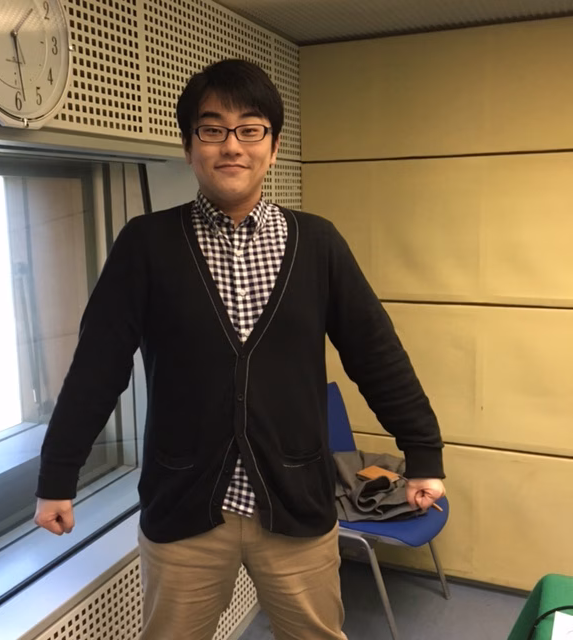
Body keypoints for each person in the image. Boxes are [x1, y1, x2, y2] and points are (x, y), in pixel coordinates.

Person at [35, 58, 446, 640]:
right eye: (212, 129)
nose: (232, 145)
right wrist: (59, 474)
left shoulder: (318, 243)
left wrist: (423, 453)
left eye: (250, 129)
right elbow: (97, 368)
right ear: (189, 147)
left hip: (297, 502)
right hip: (183, 506)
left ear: (272, 148)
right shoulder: (146, 244)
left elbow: (376, 355)